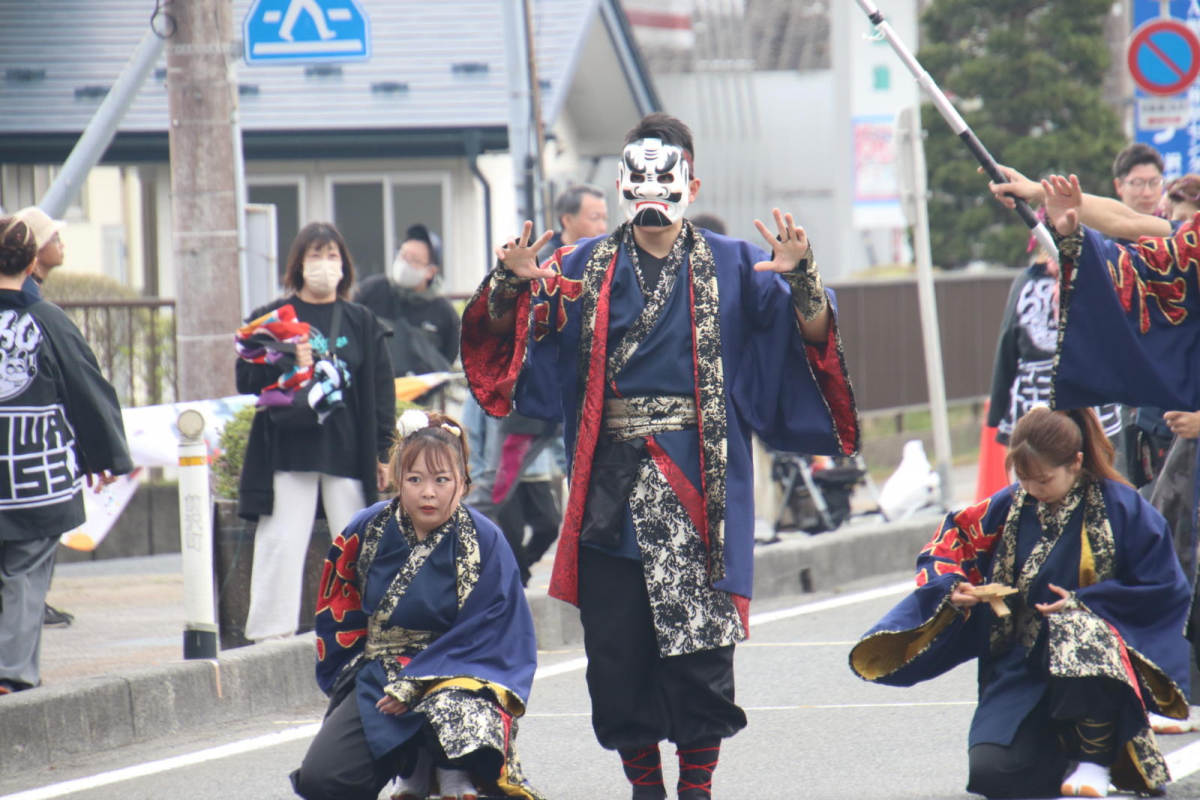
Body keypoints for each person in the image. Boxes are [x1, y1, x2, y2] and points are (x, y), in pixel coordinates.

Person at [461, 112, 859, 799]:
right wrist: (508, 285)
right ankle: (645, 787)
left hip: (696, 483)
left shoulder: (736, 264)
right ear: (620, 182)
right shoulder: (580, 267)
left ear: (691, 180)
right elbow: (514, 353)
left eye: (665, 174)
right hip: (611, 485)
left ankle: (697, 788)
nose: (650, 187)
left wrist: (803, 281)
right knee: (618, 651)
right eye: (637, 174)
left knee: (700, 648)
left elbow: (806, 341)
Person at [850, 407, 1191, 798]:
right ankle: (1059, 749)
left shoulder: (1122, 507)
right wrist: (953, 586)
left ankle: (1094, 758)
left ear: (1076, 462)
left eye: (1044, 479)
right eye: (1024, 478)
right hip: (1022, 662)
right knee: (991, 773)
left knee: (1076, 627)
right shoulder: (1010, 504)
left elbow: (1164, 586)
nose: (1034, 489)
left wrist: (1086, 602)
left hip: (1093, 664)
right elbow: (950, 541)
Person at [291, 410, 543, 800]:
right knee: (322, 781)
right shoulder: (367, 528)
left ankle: (453, 767)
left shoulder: (485, 539)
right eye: (415, 479)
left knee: (460, 714)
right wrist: (357, 674)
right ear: (396, 479)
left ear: (463, 482)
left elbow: (496, 628)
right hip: (383, 673)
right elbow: (339, 605)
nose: (429, 492)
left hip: (461, 672)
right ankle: (412, 762)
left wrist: (421, 680)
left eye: (442, 480)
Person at [235, 222, 396, 642]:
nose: (324, 265)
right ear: (297, 265)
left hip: (347, 452)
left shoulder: (362, 321)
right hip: (289, 449)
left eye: (331, 256)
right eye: (314, 256)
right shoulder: (272, 318)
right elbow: (244, 378)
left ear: (344, 266)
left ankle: (366, 632)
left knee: (359, 545)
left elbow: (381, 394)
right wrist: (281, 357)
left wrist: (384, 454)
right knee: (280, 542)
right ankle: (270, 637)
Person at [0, 217, 131, 694]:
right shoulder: (49, 321)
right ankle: (12, 674)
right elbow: (88, 389)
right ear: (33, 263)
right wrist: (104, 457)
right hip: (37, 474)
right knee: (25, 576)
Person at [11, 206, 74, 627]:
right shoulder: (30, 304)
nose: (61, 243)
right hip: (31, 442)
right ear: (32, 252)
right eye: (53, 236)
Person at [354, 224, 460, 389]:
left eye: (415, 260)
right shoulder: (372, 290)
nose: (405, 263)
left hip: (417, 403)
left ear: (431, 271)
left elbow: (445, 363)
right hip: (368, 392)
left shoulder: (444, 313)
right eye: (403, 255)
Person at [539, 183, 610, 258]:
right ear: (568, 220)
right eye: (594, 217)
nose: (602, 227)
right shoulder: (548, 262)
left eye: (604, 218)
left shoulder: (607, 256)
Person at [13, 207, 65, 300]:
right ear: (36, 250)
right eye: (56, 239)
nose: (62, 245)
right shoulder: (26, 296)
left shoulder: (27, 287)